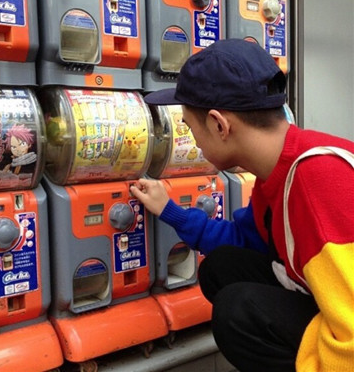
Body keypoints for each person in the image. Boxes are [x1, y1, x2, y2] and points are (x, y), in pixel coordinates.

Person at [130, 39, 354, 372]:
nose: (193, 141)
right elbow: (248, 241)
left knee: (238, 313)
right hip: (331, 305)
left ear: (219, 125)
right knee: (222, 268)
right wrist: (170, 211)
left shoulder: (317, 180)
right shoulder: (280, 169)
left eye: (190, 128)